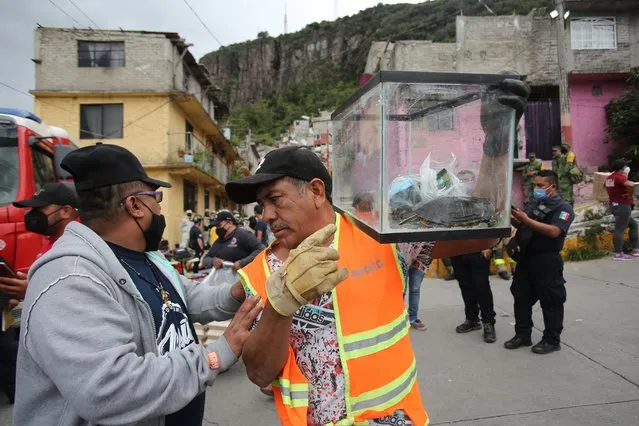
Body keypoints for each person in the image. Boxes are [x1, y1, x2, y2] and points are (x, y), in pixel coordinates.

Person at [226, 140, 525, 423]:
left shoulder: (382, 236)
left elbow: (485, 232)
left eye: (274, 199)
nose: (266, 215)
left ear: (317, 191)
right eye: (261, 205)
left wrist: (495, 146)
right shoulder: (258, 273)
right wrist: (280, 307)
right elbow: (260, 374)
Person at [13, 143, 265, 426]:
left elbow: (189, 298)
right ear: (135, 205)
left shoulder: (148, 257)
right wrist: (219, 353)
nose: (159, 207)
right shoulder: (70, 279)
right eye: (156, 197)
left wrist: (240, 289)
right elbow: (111, 390)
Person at [0, 183, 79, 404]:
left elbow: (75, 293)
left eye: (40, 209)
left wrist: (32, 289)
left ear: (66, 211)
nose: (33, 215)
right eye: (31, 209)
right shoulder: (50, 241)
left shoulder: (80, 245)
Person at [505, 170, 574, 355]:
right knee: (521, 296)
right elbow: (523, 225)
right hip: (526, 258)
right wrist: (512, 217)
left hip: (547, 260)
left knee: (551, 299)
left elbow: (554, 231)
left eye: (540, 186)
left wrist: (526, 219)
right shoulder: (534, 204)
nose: (536, 189)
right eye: (535, 185)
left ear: (553, 187)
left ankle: (551, 340)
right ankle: (522, 335)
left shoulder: (563, 208)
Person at [450, 250, 496, 343]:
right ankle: (472, 319)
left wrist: (487, 244)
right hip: (457, 250)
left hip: (479, 249)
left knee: (481, 286)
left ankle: (488, 322)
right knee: (465, 285)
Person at [605, 159, 638, 260]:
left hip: (615, 205)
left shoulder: (609, 178)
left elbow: (605, 187)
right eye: (624, 167)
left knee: (633, 225)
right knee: (619, 229)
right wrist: (630, 191)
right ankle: (618, 253)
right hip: (622, 206)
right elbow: (631, 185)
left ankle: (635, 249)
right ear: (621, 168)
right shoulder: (619, 177)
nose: (625, 169)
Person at [397, 242, 435, 331]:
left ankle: (413, 318)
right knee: (402, 289)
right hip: (403, 255)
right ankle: (399, 318)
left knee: (415, 289)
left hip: (422, 257)